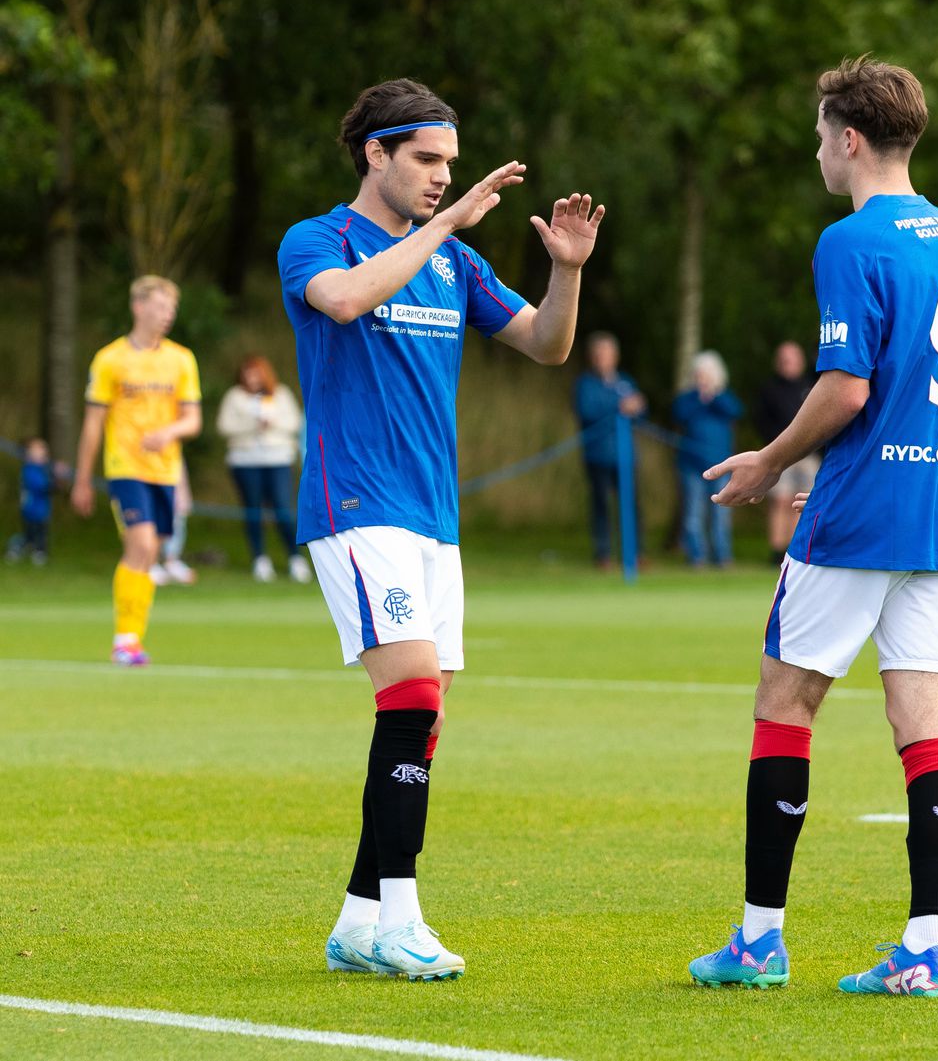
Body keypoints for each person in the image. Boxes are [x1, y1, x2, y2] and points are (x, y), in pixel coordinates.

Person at [277, 78, 604, 981]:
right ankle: (404, 918)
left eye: (450, 166)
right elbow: (343, 301)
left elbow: (546, 343)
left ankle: (357, 918)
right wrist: (444, 226)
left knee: (420, 718)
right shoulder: (319, 240)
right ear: (375, 154)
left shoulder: (455, 264)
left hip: (434, 517)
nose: (440, 178)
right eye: (425, 159)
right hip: (357, 505)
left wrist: (567, 269)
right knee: (414, 695)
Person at [688, 56, 938, 997]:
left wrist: (770, 462)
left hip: (863, 513)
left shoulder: (851, 240)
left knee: (786, 702)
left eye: (822, 133)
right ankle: (925, 947)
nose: (818, 150)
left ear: (849, 137)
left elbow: (848, 387)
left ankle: (757, 940)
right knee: (926, 724)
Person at [71, 275, 202, 665]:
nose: (167, 316)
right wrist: (82, 479)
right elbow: (93, 424)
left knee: (150, 554)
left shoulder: (181, 359)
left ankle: (133, 639)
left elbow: (192, 420)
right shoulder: (110, 359)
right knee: (141, 545)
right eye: (161, 307)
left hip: (165, 471)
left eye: (172, 309)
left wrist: (169, 432)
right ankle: (125, 639)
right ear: (139, 307)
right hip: (125, 467)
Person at [216, 354, 310, 583]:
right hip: (245, 461)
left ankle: (295, 558)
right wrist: (252, 425)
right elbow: (224, 426)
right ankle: (260, 559)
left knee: (282, 509)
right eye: (247, 372)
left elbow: (295, 423)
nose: (251, 377)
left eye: (255, 372)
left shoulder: (281, 393)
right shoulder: (235, 396)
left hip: (277, 459)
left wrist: (272, 423)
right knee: (253, 511)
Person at [572, 331, 646, 567]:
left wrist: (637, 407)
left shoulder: (624, 382)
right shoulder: (585, 383)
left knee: (632, 506)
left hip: (625, 456)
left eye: (607, 353)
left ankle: (635, 553)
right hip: (598, 455)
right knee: (601, 505)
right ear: (592, 357)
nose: (603, 358)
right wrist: (619, 406)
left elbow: (640, 413)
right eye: (599, 353)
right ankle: (603, 554)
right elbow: (587, 411)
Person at [672, 351, 743, 567]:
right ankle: (697, 556)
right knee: (693, 514)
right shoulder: (688, 399)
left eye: (706, 375)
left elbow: (736, 411)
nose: (701, 379)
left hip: (720, 466)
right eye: (699, 374)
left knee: (721, 514)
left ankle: (722, 556)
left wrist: (713, 397)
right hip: (691, 465)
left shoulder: (724, 399)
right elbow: (679, 415)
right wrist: (700, 399)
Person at [754, 342, 820, 565]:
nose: (788, 364)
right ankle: (776, 549)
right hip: (780, 454)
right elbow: (761, 421)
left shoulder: (810, 387)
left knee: (801, 502)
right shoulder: (769, 389)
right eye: (784, 359)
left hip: (808, 454)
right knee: (780, 501)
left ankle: (794, 549)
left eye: (792, 359)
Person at [5, 437, 54, 565]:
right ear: (28, 454)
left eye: (44, 449)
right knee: (30, 534)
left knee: (42, 533)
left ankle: (39, 551)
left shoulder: (44, 469)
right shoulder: (29, 469)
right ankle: (17, 548)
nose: (43, 452)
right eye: (38, 449)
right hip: (31, 510)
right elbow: (42, 486)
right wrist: (52, 476)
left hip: (42, 510)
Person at [150, 459, 196, 585]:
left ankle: (172, 561)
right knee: (152, 519)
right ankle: (151, 563)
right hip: (147, 468)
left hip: (171, 466)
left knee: (177, 516)